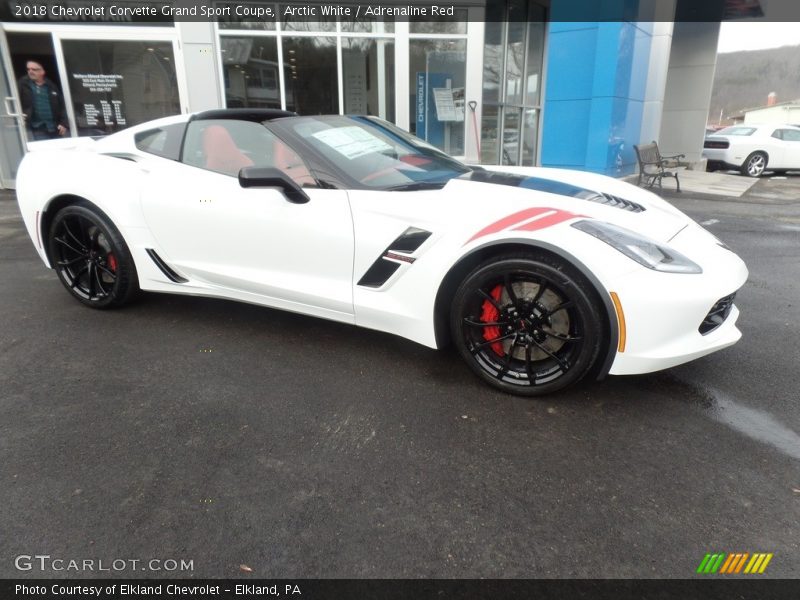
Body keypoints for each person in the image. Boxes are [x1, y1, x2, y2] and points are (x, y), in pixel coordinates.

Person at [18, 60, 68, 140]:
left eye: (34, 69)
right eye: (28, 69)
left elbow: (62, 106)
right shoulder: (23, 84)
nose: (30, 71)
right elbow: (16, 102)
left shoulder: (51, 85)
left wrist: (63, 123)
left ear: (42, 72)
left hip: (54, 127)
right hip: (36, 128)